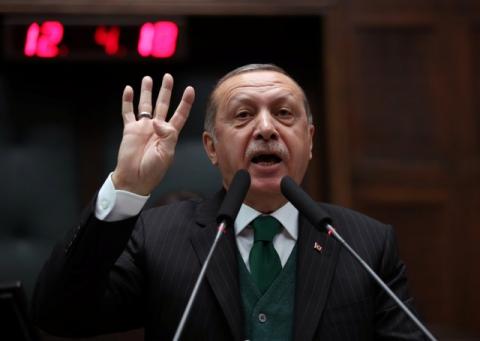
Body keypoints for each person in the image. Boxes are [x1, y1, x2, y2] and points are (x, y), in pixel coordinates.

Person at [33, 64, 426, 340]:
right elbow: (61, 315)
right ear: (211, 147)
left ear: (310, 141)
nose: (267, 128)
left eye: (284, 114)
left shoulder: (365, 244)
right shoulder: (158, 236)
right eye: (243, 115)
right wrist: (125, 188)